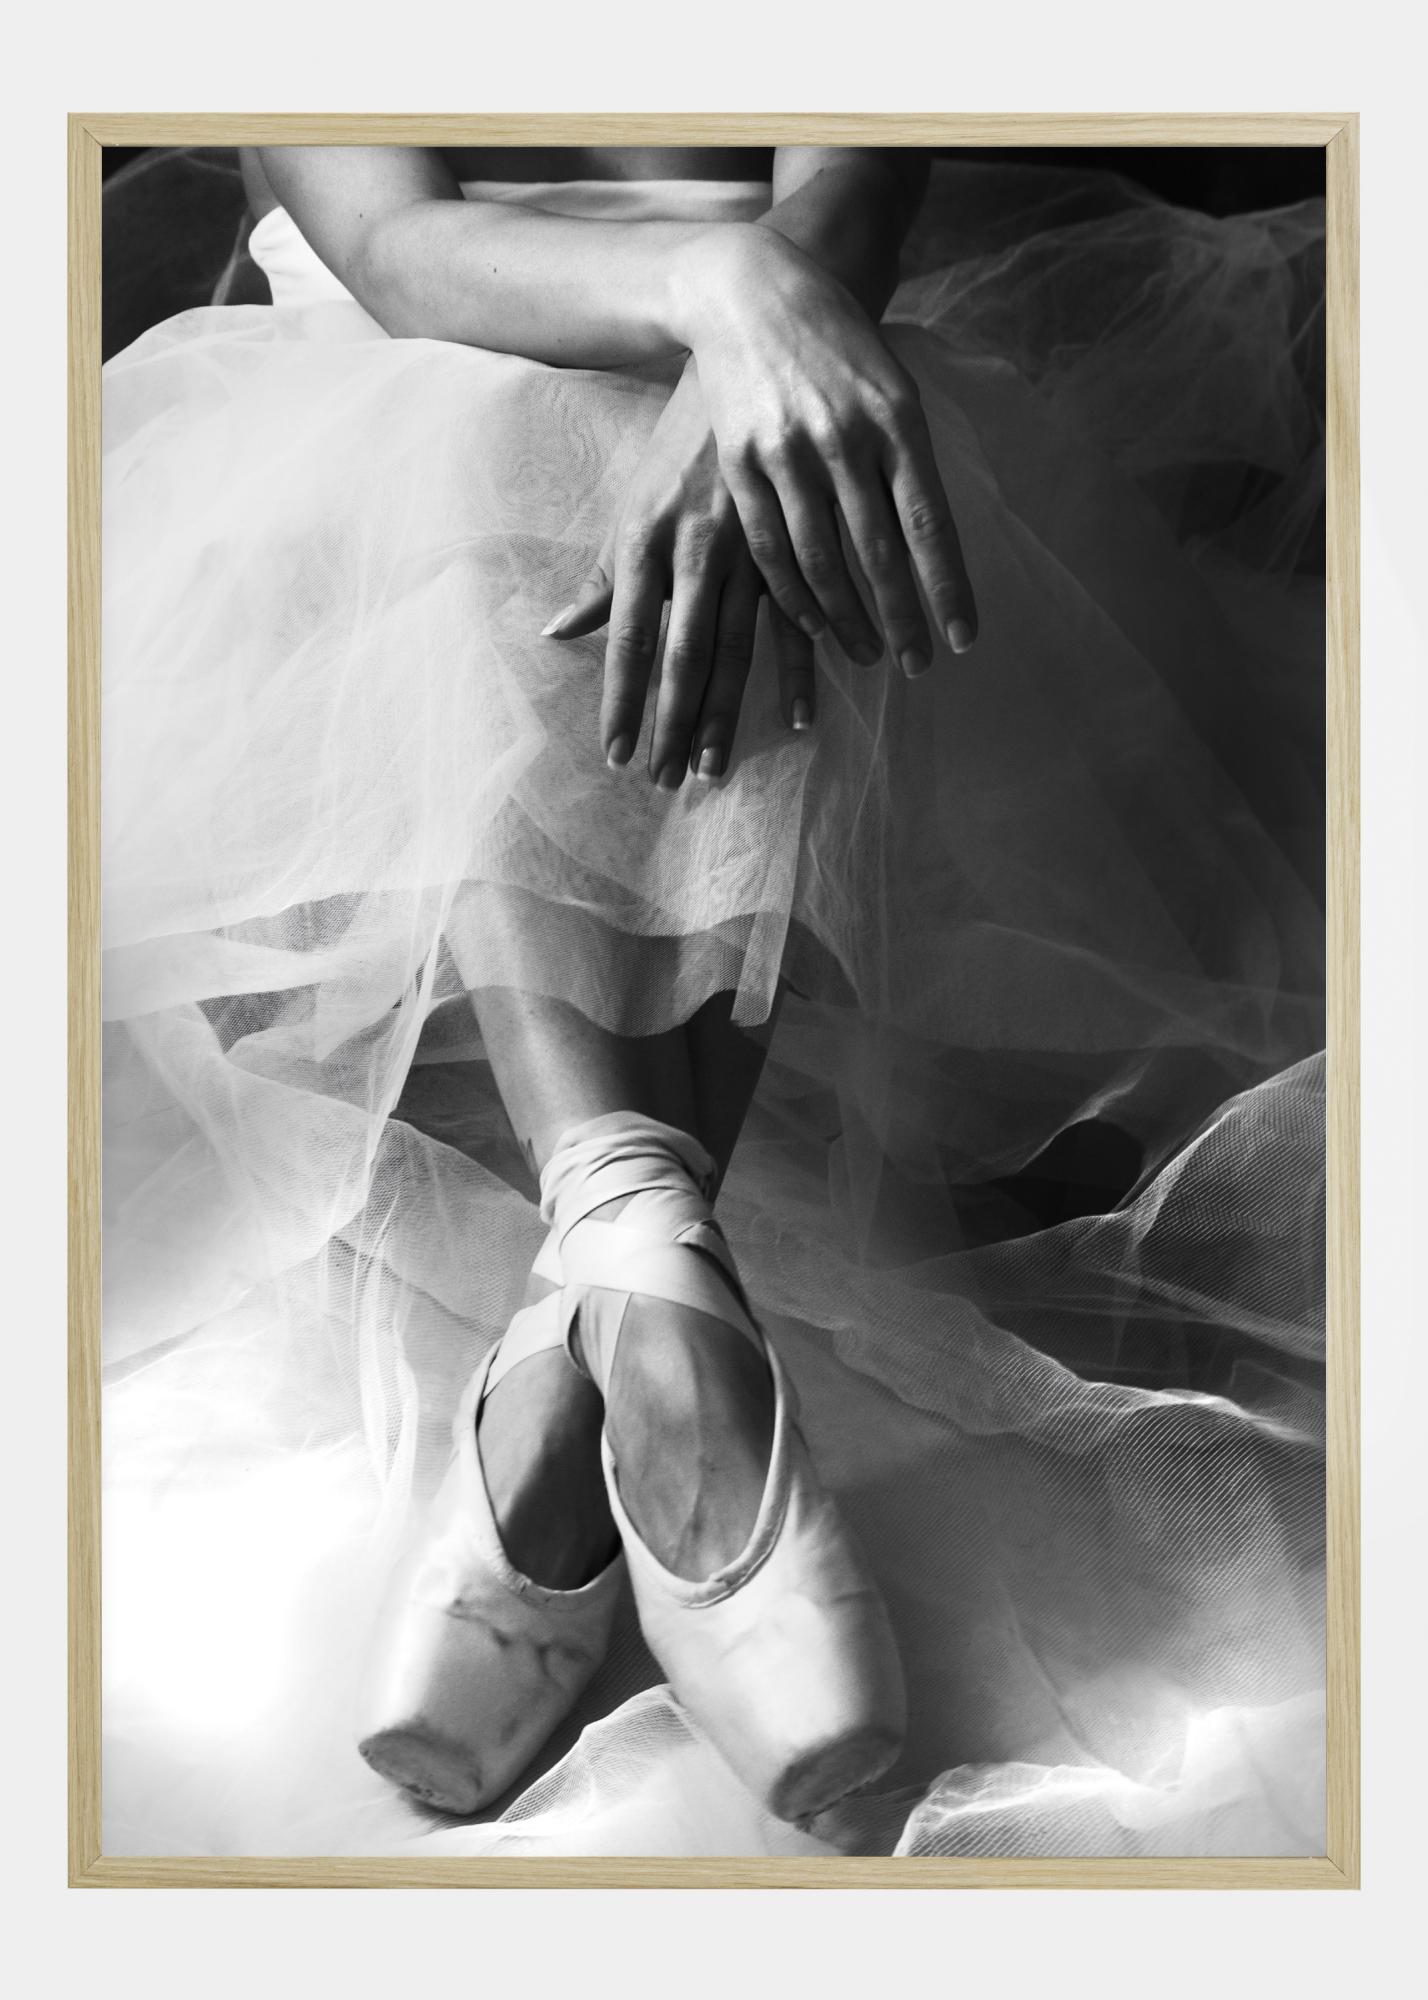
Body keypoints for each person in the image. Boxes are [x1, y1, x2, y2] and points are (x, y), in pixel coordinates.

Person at [101, 143, 1328, 1857]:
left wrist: (747, 339)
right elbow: (390, 245)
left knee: (768, 458)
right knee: (481, 426)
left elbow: (852, 189)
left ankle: (597, 1316)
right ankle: (655, 1305)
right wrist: (715, 291)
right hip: (373, 438)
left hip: (815, 348)